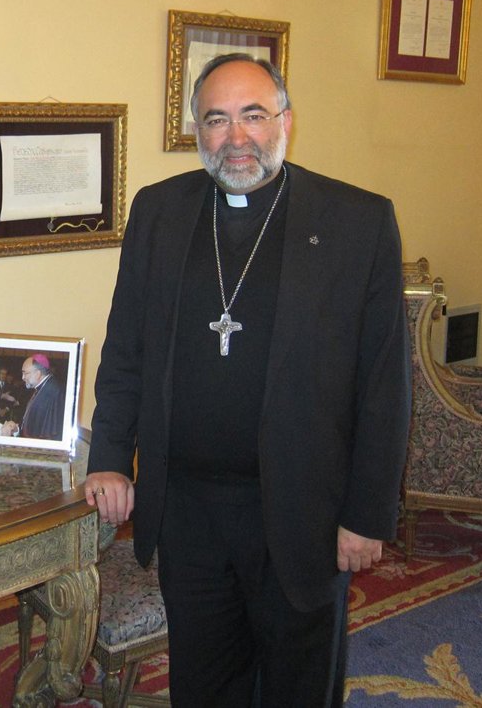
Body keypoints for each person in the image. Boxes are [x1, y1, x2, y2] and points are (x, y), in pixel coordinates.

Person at [83, 53, 411, 707]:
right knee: (204, 682)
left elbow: (384, 386)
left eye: (253, 115)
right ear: (197, 131)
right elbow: (126, 350)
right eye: (217, 119)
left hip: (302, 508)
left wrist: (367, 514)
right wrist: (112, 458)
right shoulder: (159, 211)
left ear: (285, 121)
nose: (236, 137)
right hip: (189, 510)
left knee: (298, 685)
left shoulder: (358, 221)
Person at [18, 354, 65, 440]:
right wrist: (18, 429)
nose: (23, 377)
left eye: (25, 373)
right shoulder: (42, 387)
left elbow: (50, 433)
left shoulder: (53, 391)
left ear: (38, 373)